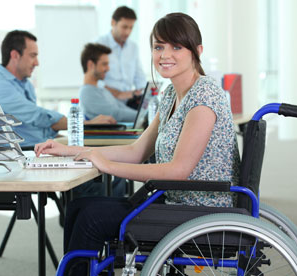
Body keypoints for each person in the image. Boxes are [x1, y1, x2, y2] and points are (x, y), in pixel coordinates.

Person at [35, 13, 240, 275]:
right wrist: (74, 150)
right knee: (76, 208)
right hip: (177, 201)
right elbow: (136, 151)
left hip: (201, 211)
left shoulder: (204, 96)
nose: (165, 55)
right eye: (158, 47)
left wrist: (107, 166)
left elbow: (178, 171)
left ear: (197, 51)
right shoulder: (170, 96)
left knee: (91, 219)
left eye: (176, 47)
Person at [0, 30, 116, 148]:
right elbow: (38, 116)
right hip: (19, 155)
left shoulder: (25, 84)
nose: (37, 62)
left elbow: (37, 127)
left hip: (35, 147)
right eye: (32, 56)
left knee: (95, 152)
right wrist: (87, 123)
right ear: (15, 55)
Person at [96, 6, 146, 108]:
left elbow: (140, 78)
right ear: (113, 23)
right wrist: (118, 94)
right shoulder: (99, 44)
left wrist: (143, 93)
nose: (128, 32)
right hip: (107, 100)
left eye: (131, 27)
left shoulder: (133, 47)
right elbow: (94, 81)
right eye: (124, 27)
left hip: (129, 102)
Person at [79, 43, 137, 122]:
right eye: (104, 64)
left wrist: (144, 115)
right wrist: (145, 117)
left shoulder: (102, 90)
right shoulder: (87, 92)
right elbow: (116, 114)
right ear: (91, 65)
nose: (108, 68)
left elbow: (122, 108)